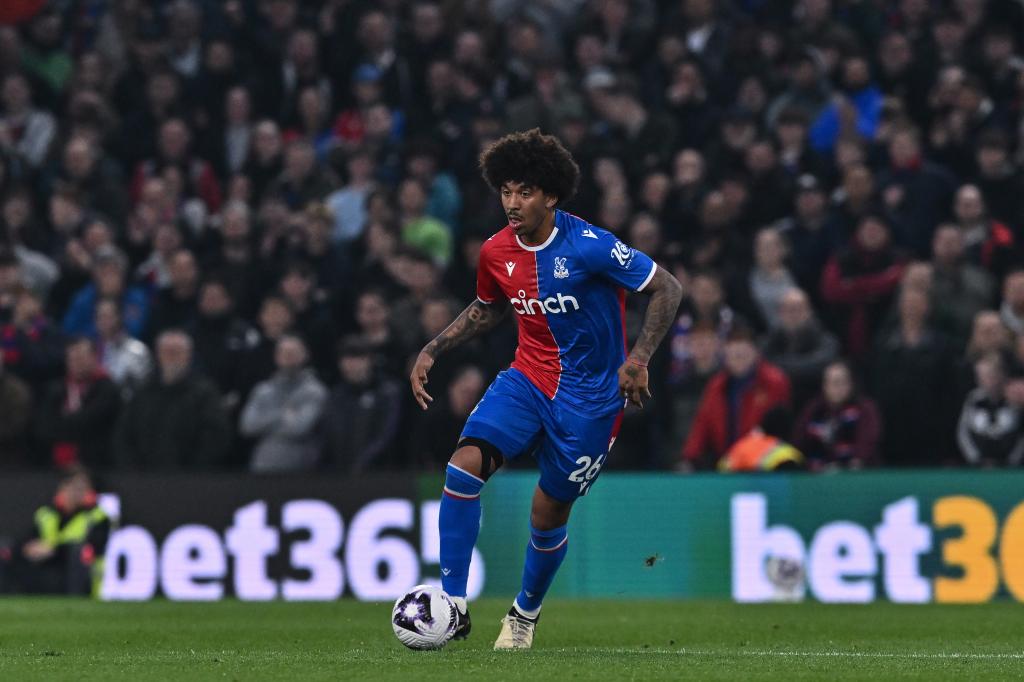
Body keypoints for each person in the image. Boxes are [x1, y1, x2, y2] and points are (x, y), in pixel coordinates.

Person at [408, 129, 681, 648]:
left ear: (550, 195)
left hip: (592, 402)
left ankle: (524, 614)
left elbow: (666, 285)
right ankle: (452, 606)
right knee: (463, 468)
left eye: (525, 192)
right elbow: (489, 308)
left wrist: (639, 358)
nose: (512, 203)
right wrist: (434, 348)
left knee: (547, 512)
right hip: (527, 380)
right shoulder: (494, 252)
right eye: (506, 191)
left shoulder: (591, 247)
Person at [114, 330, 230, 470]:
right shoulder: (144, 392)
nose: (171, 357)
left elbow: (216, 436)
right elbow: (124, 435)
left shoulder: (204, 393)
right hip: (144, 479)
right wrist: (134, 469)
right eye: (167, 352)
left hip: (192, 480)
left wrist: (193, 470)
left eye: (177, 352)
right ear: (158, 354)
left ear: (188, 355)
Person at [681, 324, 791, 469]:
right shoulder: (717, 386)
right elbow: (702, 423)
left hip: (765, 463)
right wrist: (689, 458)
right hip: (727, 461)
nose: (738, 360)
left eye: (742, 355)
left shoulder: (773, 382)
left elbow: (780, 427)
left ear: (755, 353)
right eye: (732, 356)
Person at [0, 465, 110, 596]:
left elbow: (95, 546)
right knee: (7, 549)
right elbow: (28, 537)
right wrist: (28, 548)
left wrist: (54, 549)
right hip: (48, 568)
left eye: (82, 488)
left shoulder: (98, 516)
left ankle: (74, 600)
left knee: (78, 553)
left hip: (79, 574)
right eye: (73, 487)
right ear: (63, 488)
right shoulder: (47, 513)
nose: (77, 492)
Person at [240, 334, 327, 473]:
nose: (288, 356)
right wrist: (283, 414)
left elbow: (299, 428)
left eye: (293, 352)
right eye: (284, 352)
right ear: (276, 356)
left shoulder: (314, 391)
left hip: (301, 469)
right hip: (262, 467)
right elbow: (248, 426)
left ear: (305, 355)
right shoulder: (263, 390)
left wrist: (266, 421)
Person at [35, 336, 120, 470]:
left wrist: (62, 424)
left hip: (96, 464)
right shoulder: (56, 390)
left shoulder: (107, 389)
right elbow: (44, 427)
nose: (76, 363)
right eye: (72, 359)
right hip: (56, 466)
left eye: (81, 358)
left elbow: (92, 422)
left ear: (94, 358)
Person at [321, 336, 402, 473]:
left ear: (369, 361)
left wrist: (363, 463)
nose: (352, 364)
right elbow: (327, 434)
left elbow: (386, 434)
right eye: (347, 359)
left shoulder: (386, 392)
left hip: (379, 473)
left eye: (358, 358)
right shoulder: (336, 396)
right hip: (338, 474)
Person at [793, 360, 882, 470]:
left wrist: (852, 465)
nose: (837, 387)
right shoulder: (813, 409)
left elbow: (867, 444)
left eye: (841, 382)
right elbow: (798, 444)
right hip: (817, 475)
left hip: (855, 474)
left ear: (851, 383)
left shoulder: (865, 409)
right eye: (832, 382)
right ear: (824, 385)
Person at [956, 352, 1024, 466]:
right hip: (979, 465)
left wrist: (1012, 461)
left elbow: (1021, 434)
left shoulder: (1015, 400)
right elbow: (963, 432)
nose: (987, 381)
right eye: (981, 376)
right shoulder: (974, 400)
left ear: (1002, 375)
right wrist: (976, 459)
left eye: (991, 375)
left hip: (1011, 466)